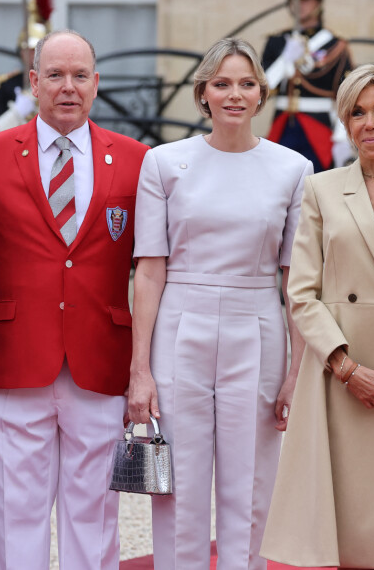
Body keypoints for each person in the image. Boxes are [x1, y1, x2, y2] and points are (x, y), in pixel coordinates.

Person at [0, 30, 149, 570]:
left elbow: (155, 265)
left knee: (94, 515)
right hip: (14, 358)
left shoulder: (137, 160)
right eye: (55, 75)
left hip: (100, 360)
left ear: (96, 83)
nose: (68, 87)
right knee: (16, 512)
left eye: (80, 76)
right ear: (34, 82)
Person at [128, 37, 312, 570]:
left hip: (257, 324)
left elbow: (295, 279)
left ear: (262, 94)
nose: (235, 94)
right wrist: (139, 369)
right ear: (202, 93)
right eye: (223, 83)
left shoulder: (294, 168)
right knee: (178, 479)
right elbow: (150, 268)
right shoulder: (163, 162)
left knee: (252, 479)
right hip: (179, 321)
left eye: (247, 84)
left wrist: (297, 370)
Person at [260, 64, 374, 569]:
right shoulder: (321, 189)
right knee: (346, 523)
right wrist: (349, 369)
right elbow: (301, 291)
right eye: (357, 113)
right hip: (338, 377)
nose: (369, 123)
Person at [262, 0, 353, 171]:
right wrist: (285, 60)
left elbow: (347, 96)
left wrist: (342, 137)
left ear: (318, 2)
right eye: (294, 0)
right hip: (282, 125)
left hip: (318, 127)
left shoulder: (334, 44)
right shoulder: (277, 41)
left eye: (306, 0)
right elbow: (261, 89)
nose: (299, 5)